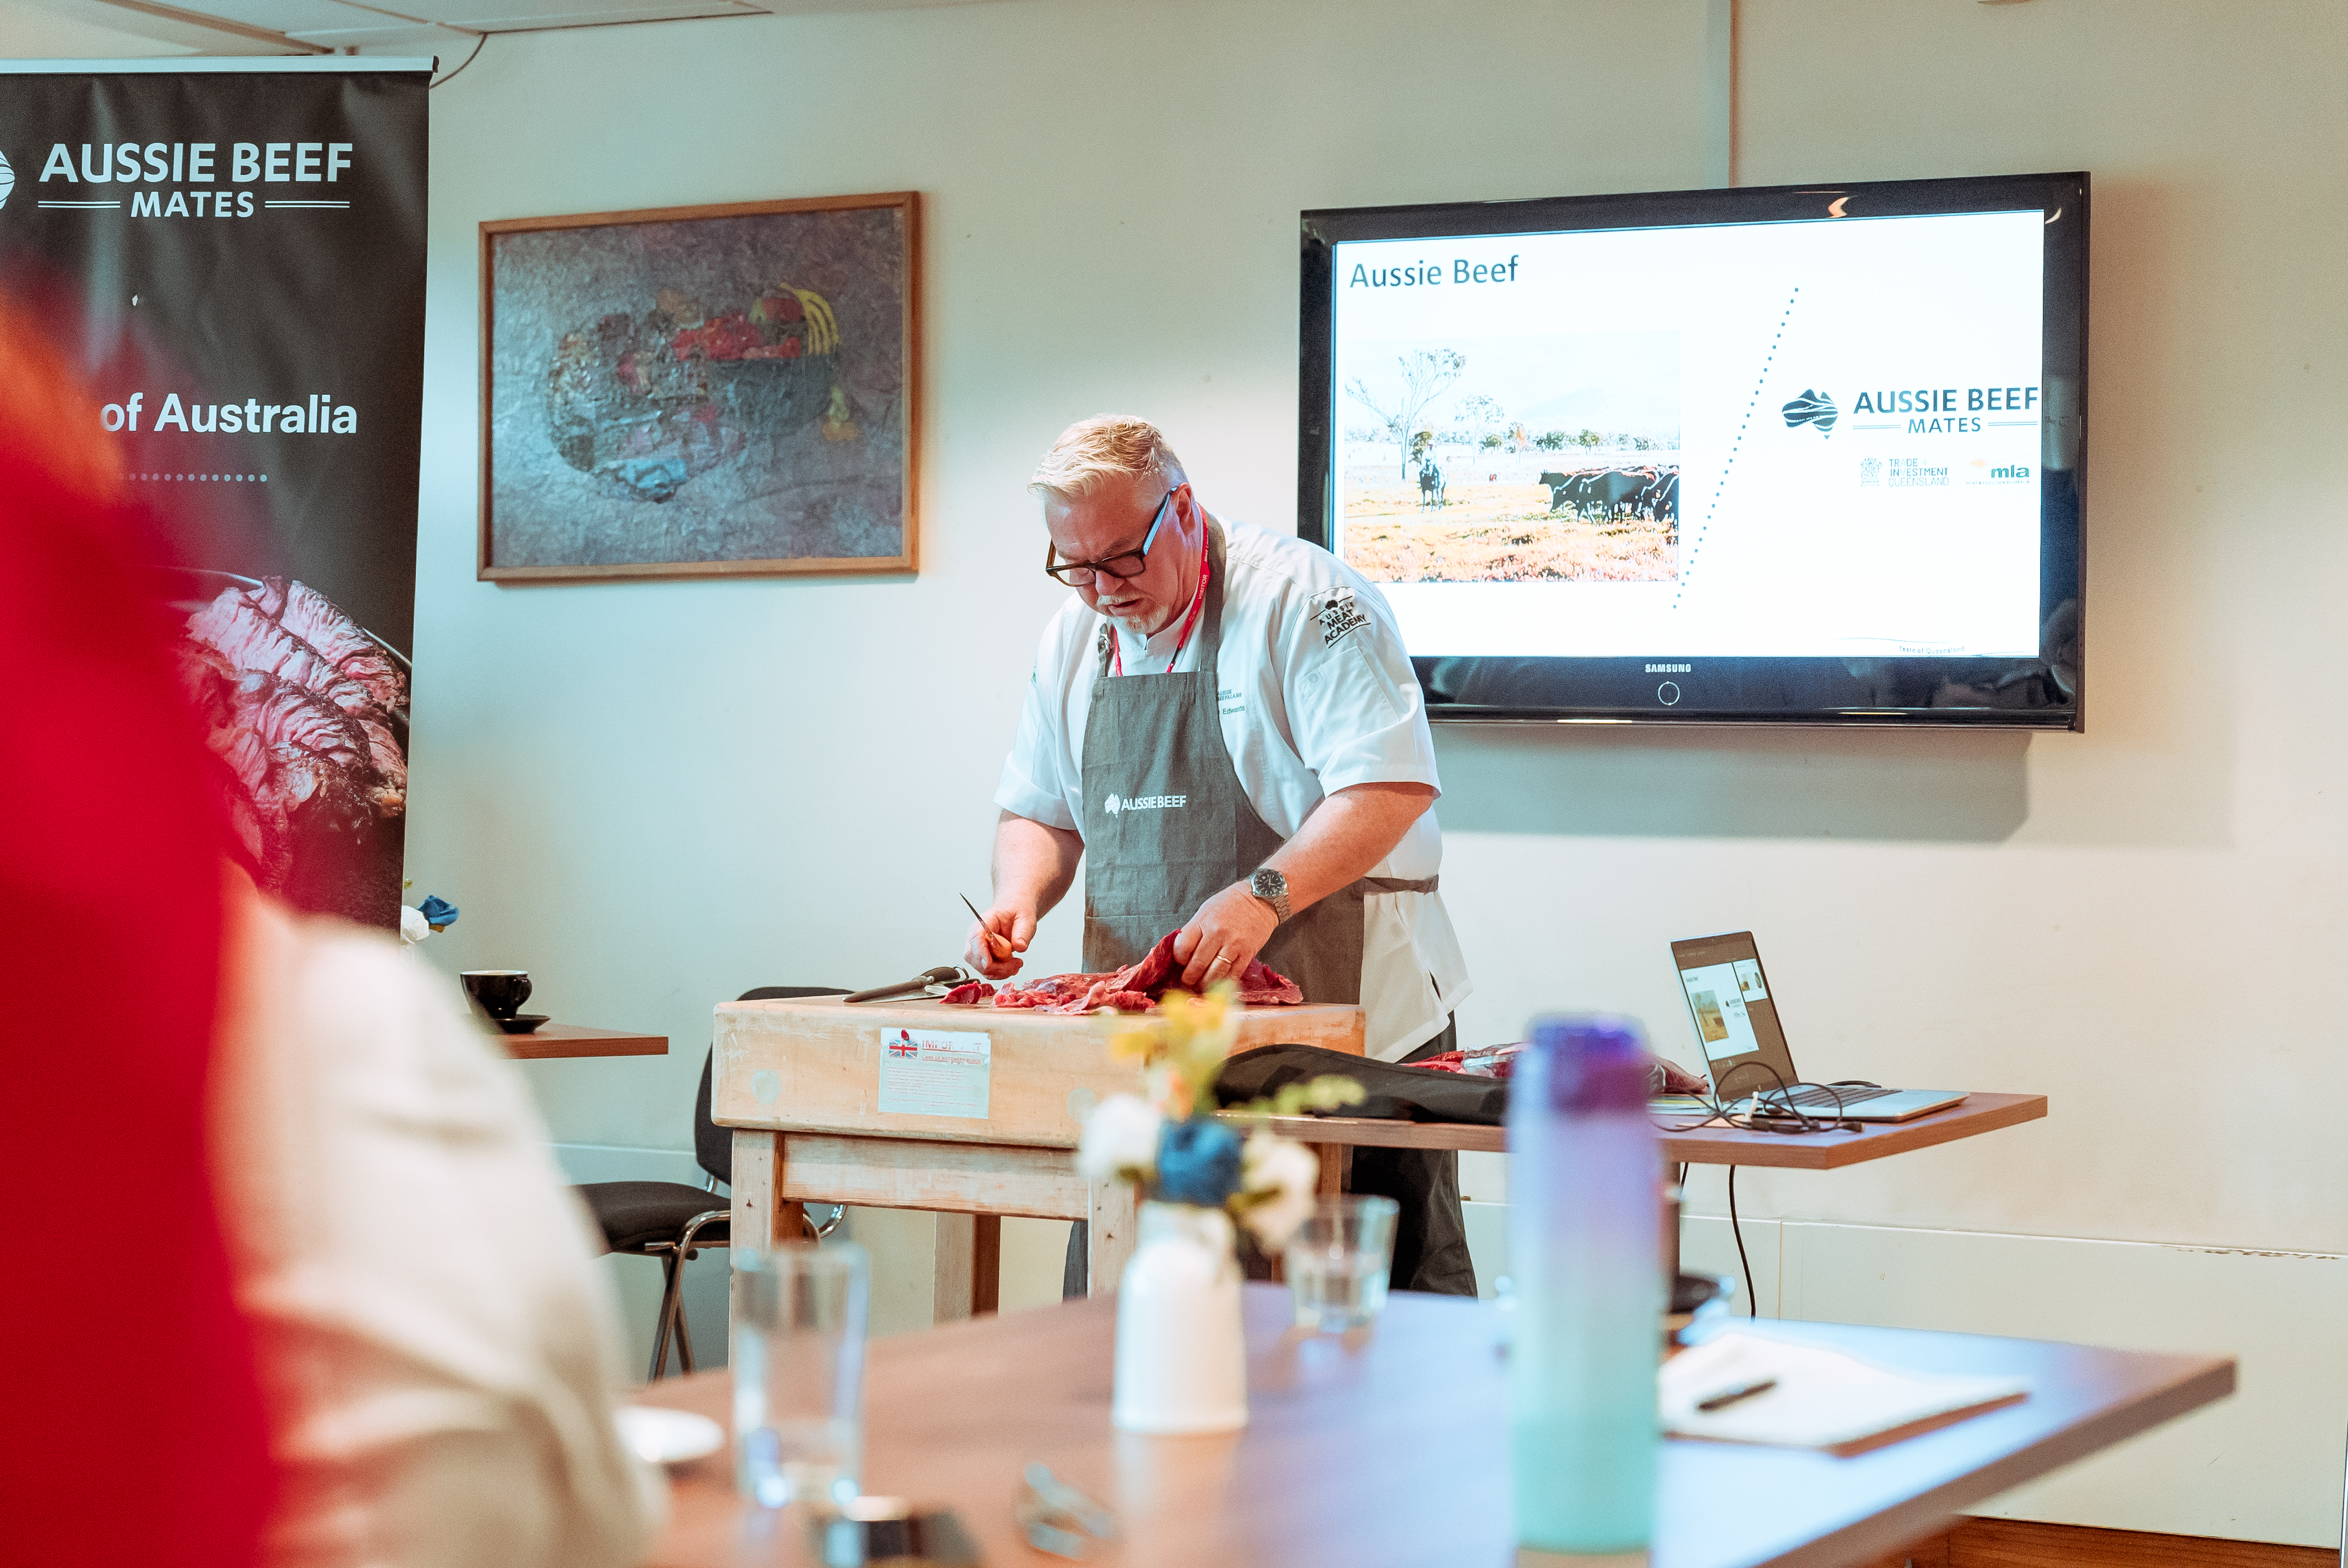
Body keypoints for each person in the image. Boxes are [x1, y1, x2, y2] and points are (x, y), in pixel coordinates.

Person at [969, 415, 1475, 1294]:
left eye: (1122, 557)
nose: (1102, 588)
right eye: (1074, 565)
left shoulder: (1301, 598)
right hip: (1158, 1062)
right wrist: (1021, 896)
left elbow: (1387, 787)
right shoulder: (1072, 636)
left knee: (1364, 1321)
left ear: (1184, 507)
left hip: (1351, 1034)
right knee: (1141, 1314)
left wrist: (1263, 894)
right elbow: (1040, 810)